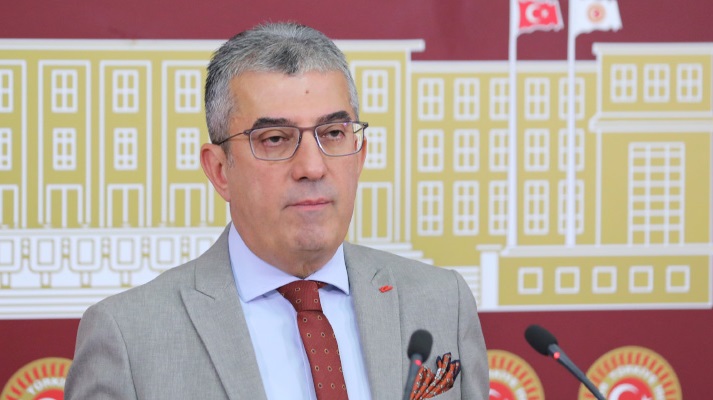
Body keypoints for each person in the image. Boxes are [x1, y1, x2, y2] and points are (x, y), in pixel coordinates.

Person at [65, 22, 488, 399]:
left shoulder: (441, 302)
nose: (312, 167)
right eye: (274, 139)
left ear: (359, 156)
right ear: (219, 170)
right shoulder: (128, 337)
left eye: (333, 133)